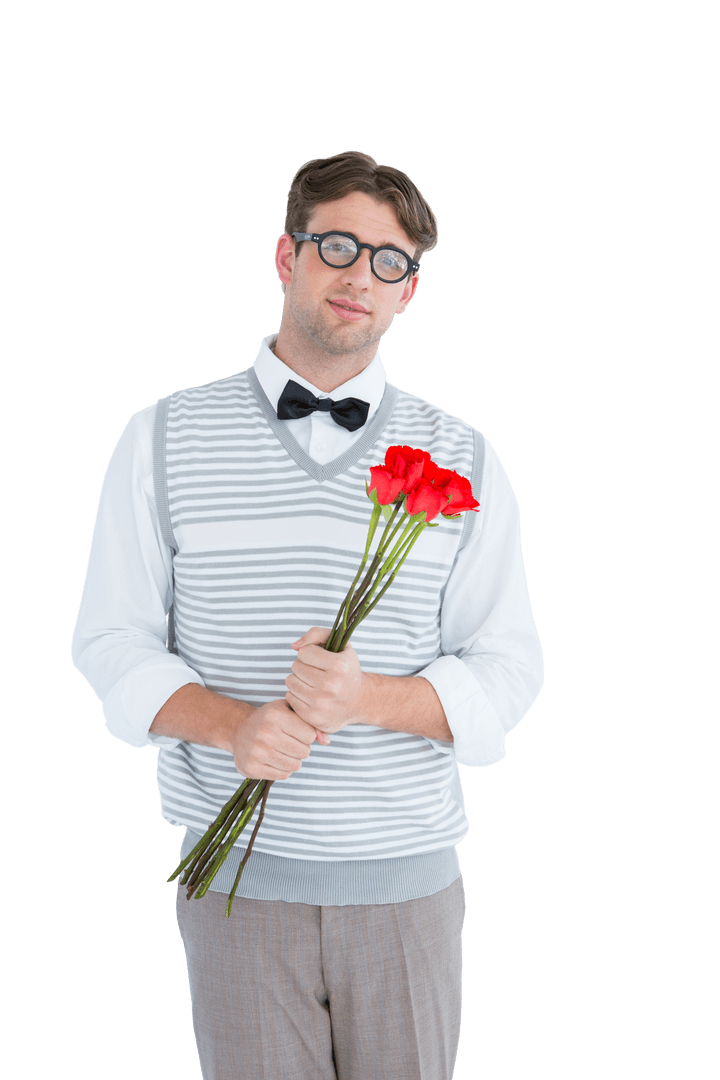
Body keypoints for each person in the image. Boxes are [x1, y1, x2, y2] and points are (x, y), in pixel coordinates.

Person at [72, 150, 544, 1080]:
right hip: (234, 889)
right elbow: (110, 639)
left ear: (409, 293)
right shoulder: (162, 435)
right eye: (337, 245)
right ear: (287, 257)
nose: (359, 276)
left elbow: (508, 668)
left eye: (389, 261)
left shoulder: (465, 453)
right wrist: (233, 726)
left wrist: (365, 698)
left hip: (409, 892)